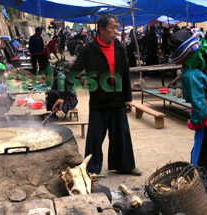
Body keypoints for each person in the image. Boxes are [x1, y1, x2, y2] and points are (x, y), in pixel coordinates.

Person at [52, 14, 142, 176]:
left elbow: (125, 73)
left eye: (117, 27)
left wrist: (128, 98)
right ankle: (91, 169)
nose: (116, 31)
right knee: (95, 138)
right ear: (101, 29)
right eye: (112, 27)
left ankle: (125, 165)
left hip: (118, 100)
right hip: (99, 101)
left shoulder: (119, 47)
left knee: (121, 135)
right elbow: (74, 73)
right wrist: (63, 96)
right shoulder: (89, 50)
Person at [169, 28, 207, 182]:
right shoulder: (206, 59)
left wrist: (193, 121)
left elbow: (200, 108)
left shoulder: (190, 74)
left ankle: (205, 200)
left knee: (202, 162)